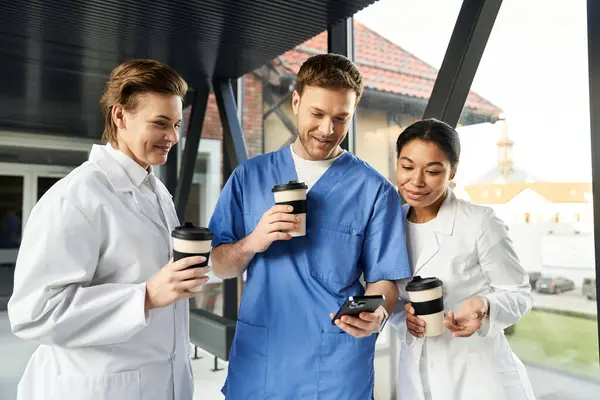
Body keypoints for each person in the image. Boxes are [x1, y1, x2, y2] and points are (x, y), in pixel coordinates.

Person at [208, 53, 411, 400]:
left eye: (340, 118)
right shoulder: (249, 177)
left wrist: (376, 312)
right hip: (263, 359)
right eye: (317, 114)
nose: (327, 130)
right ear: (297, 101)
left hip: (336, 367)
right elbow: (217, 264)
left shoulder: (375, 191)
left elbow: (385, 280)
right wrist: (253, 242)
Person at [8, 59, 209, 400]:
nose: (172, 137)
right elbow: (34, 313)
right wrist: (144, 297)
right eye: (160, 123)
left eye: (176, 124)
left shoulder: (156, 191)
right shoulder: (77, 197)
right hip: (97, 388)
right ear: (120, 116)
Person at [389, 119, 535, 400]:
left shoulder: (480, 222)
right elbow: (391, 295)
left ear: (452, 170)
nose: (416, 181)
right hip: (416, 374)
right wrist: (402, 318)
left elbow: (519, 294)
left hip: (479, 377)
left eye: (432, 171)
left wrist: (485, 306)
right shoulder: (389, 224)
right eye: (407, 167)